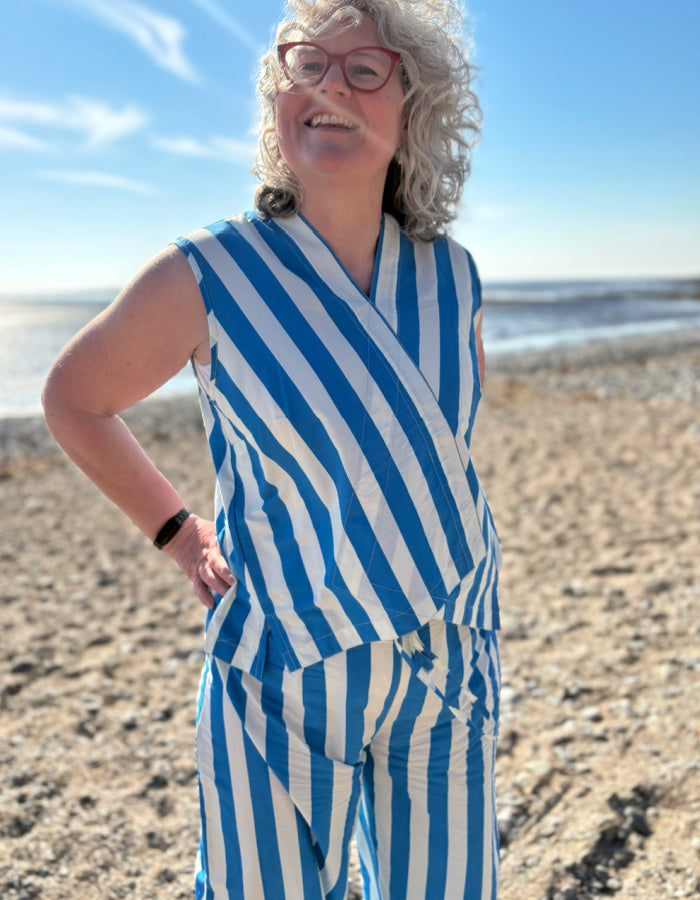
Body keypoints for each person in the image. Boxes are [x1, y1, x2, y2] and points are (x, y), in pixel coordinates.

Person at [43, 0, 503, 897]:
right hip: (280, 672)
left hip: (447, 663)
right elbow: (74, 399)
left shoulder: (454, 277)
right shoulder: (205, 273)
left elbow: (432, 459)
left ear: (415, 108)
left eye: (363, 69)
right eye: (306, 65)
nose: (329, 85)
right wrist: (179, 532)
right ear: (277, 98)